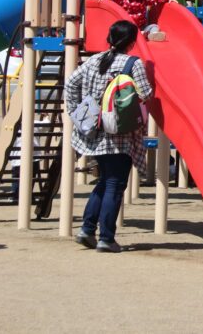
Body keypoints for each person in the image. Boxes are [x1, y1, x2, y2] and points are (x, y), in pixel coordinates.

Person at [64, 20, 152, 253]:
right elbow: (145, 92)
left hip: (95, 130)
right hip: (120, 133)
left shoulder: (94, 60)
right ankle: (106, 237)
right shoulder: (133, 63)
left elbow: (71, 83)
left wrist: (77, 111)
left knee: (104, 181)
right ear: (132, 42)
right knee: (115, 184)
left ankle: (87, 228)